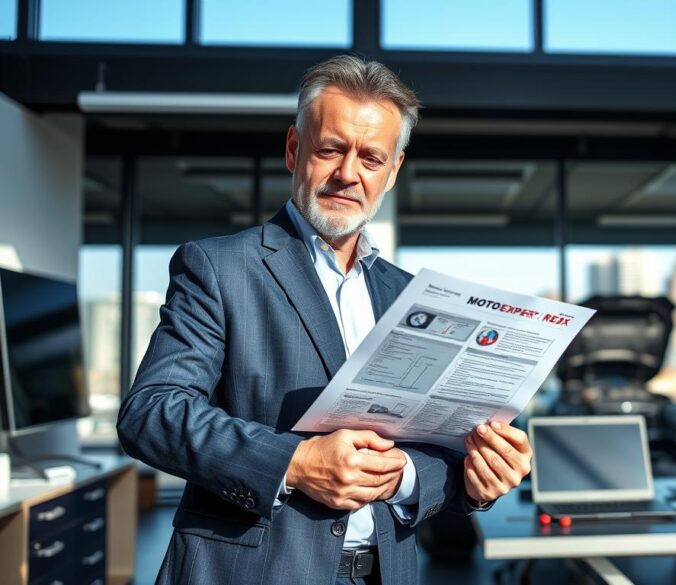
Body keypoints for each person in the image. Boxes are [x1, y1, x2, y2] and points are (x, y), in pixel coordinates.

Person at [117, 55, 532, 585]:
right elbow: (151, 413)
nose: (348, 174)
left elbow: (434, 452)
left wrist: (464, 473)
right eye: (331, 149)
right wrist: (295, 462)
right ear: (294, 149)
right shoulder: (218, 268)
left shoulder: (407, 295)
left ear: (394, 170)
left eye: (371, 158)